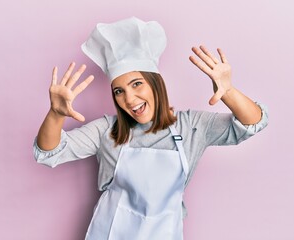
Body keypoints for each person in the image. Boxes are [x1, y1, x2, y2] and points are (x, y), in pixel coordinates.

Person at [34, 17, 268, 240]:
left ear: (156, 83)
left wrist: (228, 91)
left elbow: (253, 122)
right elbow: (49, 151)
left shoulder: (192, 127)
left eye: (137, 84)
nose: (129, 98)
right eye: (119, 91)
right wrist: (55, 114)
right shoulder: (107, 130)